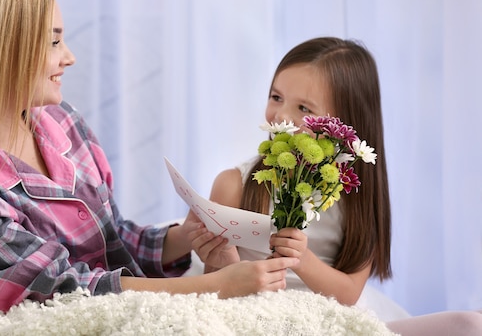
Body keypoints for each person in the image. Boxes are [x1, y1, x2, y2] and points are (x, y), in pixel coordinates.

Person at [0, 0, 298, 312]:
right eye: (54, 40)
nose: (69, 56)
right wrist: (208, 288)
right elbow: (61, 292)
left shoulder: (63, 123)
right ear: (0, 51)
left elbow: (111, 236)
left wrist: (186, 237)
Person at [188, 37, 482, 335]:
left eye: (304, 108)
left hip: (328, 323)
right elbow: (217, 295)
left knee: (470, 324)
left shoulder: (358, 200)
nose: (281, 117)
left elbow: (349, 294)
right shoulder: (234, 184)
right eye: (276, 97)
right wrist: (219, 261)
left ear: (343, 125)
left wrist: (303, 260)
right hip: (255, 321)